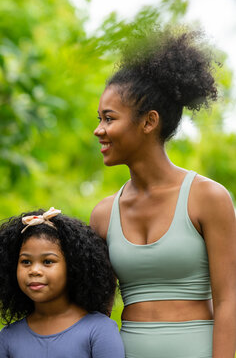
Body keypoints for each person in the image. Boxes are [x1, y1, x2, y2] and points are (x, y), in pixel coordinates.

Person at [90, 27, 236, 357]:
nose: (99, 130)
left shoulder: (208, 198)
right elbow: (90, 315)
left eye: (109, 118)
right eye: (99, 119)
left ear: (148, 121)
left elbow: (229, 301)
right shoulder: (103, 214)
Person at [0, 208, 124, 358]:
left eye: (47, 261)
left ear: (73, 266)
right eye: (25, 261)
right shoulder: (7, 338)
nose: (34, 270)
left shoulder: (99, 330)